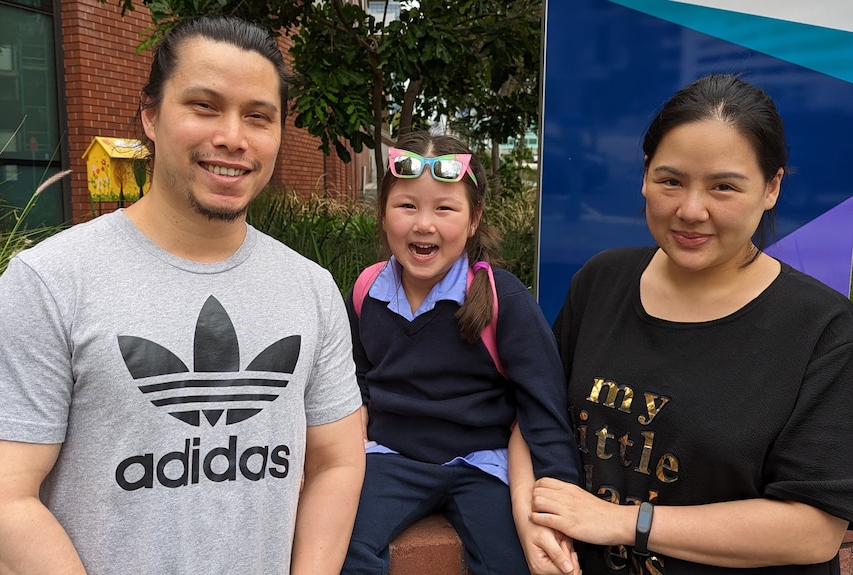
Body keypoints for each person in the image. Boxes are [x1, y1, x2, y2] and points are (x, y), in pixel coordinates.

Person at [0, 15, 365, 575]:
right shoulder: (48, 282)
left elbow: (338, 459)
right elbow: (4, 496)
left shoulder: (309, 287)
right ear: (151, 115)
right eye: (204, 106)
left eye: (258, 116)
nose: (233, 137)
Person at [520, 74, 853, 574]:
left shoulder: (822, 328)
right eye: (670, 180)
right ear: (645, 175)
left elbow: (813, 532)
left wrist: (620, 522)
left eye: (724, 186)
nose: (691, 210)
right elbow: (534, 415)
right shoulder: (601, 281)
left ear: (772, 187)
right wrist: (533, 521)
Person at [341, 131, 582, 575]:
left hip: (484, 466)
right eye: (407, 205)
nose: (424, 224)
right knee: (341, 549)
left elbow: (544, 405)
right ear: (383, 213)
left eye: (445, 208)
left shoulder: (499, 298)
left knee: (514, 564)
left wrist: (559, 500)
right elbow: (354, 376)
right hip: (393, 458)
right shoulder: (366, 291)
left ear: (474, 220)